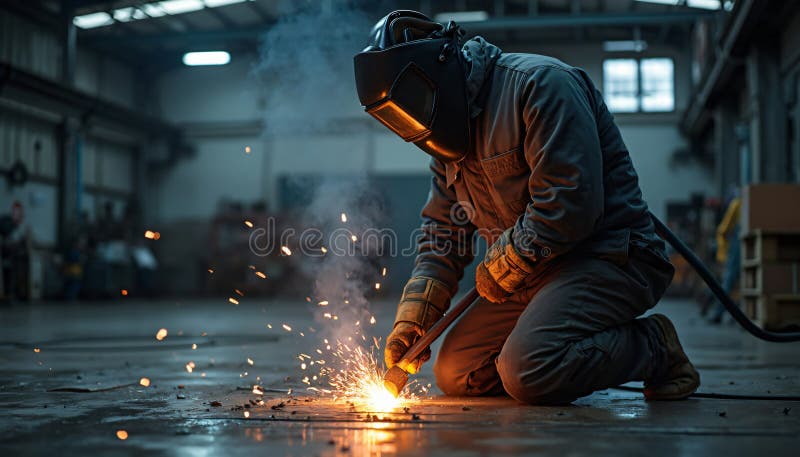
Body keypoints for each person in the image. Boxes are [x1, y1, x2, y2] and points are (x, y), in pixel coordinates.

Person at [353, 11, 699, 404]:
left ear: (436, 72)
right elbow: (443, 236)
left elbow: (570, 202)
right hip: (532, 277)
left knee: (528, 368)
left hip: (609, 258)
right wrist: (415, 315)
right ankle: (545, 356)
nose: (412, 125)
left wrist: (508, 261)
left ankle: (654, 347)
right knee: (456, 371)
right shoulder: (447, 142)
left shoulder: (540, 86)